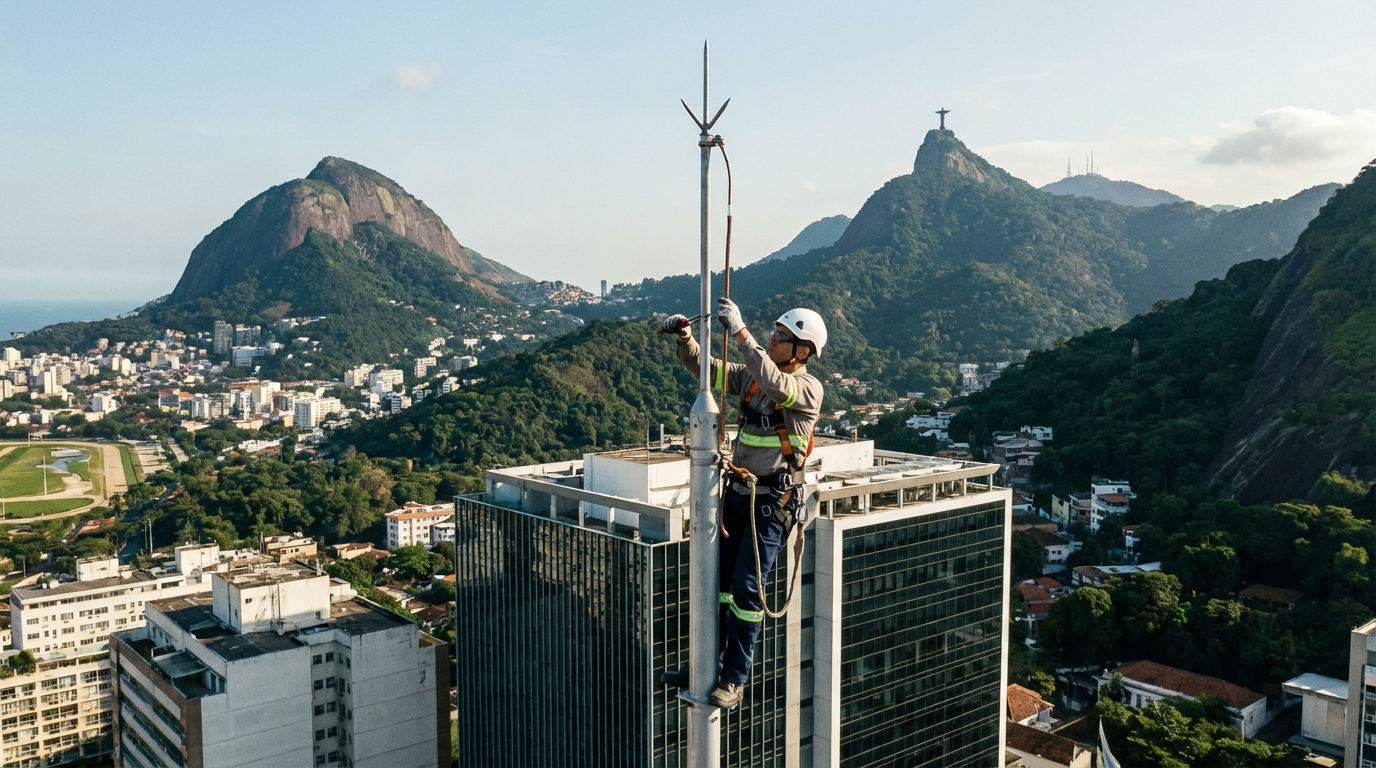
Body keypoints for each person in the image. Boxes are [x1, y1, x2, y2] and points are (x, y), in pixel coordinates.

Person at [661, 297, 827, 709]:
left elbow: (777, 386)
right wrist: (685, 339)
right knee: (718, 588)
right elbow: (708, 370)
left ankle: (733, 679)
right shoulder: (752, 378)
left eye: (781, 337)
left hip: (771, 503)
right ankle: (706, 666)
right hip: (739, 495)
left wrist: (741, 332)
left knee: (746, 591)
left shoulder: (805, 388)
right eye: (772, 333)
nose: (773, 340)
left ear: (802, 351)